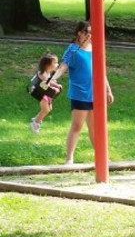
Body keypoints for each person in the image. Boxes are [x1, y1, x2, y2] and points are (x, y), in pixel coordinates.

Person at [50, 21, 114, 164]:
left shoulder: (94, 49)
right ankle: (69, 159)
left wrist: (108, 90)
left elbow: (101, 72)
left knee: (94, 128)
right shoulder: (73, 49)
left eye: (91, 33)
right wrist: (52, 79)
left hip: (95, 93)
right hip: (79, 93)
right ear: (79, 33)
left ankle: (102, 158)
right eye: (86, 32)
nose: (89, 35)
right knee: (77, 125)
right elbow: (62, 67)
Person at [28, 52, 63, 134]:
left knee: (49, 109)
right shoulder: (42, 73)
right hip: (43, 94)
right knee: (46, 109)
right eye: (55, 63)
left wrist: (56, 85)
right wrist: (56, 86)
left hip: (47, 94)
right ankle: (35, 123)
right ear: (48, 65)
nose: (57, 64)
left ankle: (36, 118)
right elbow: (48, 82)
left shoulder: (48, 73)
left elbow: (50, 81)